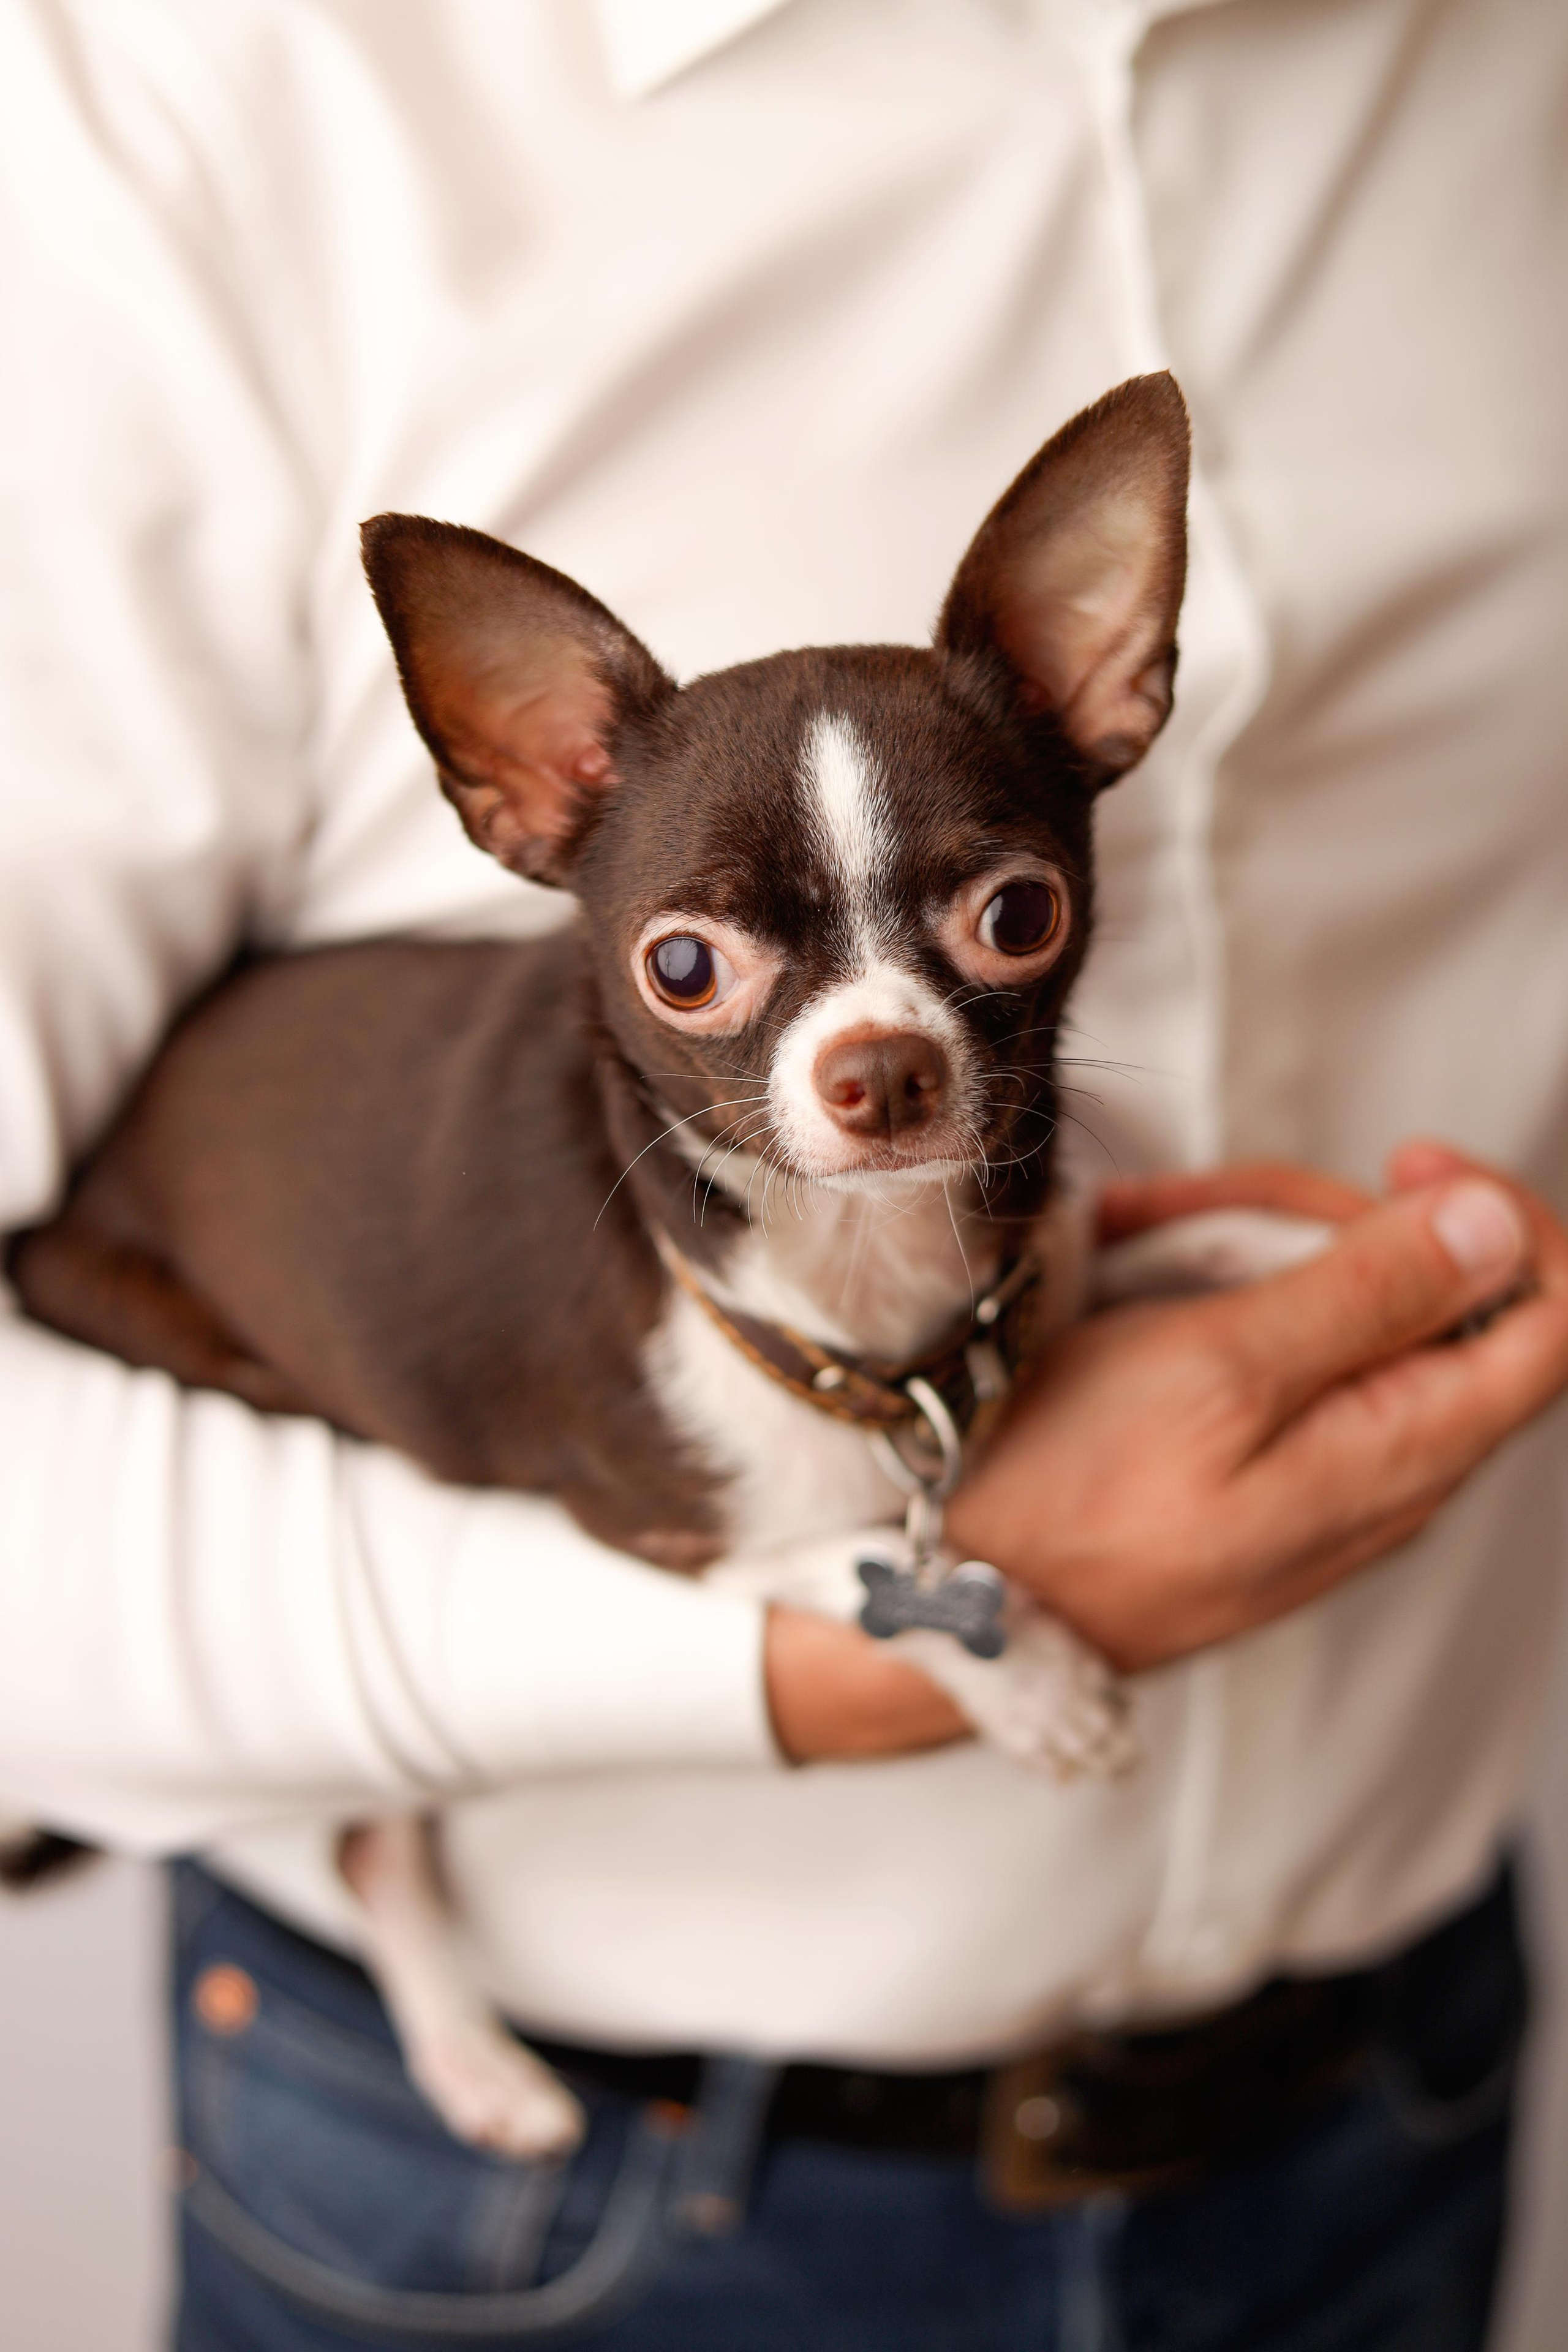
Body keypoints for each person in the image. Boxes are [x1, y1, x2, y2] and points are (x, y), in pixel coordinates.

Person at [1, 2, 1566, 2345]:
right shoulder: (180, 104)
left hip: (1387, 2093)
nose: (879, 1050)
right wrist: (907, 1639)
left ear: (1101, 681)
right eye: (723, 967)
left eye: (1000, 926)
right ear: (526, 791)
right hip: (545, 2207)